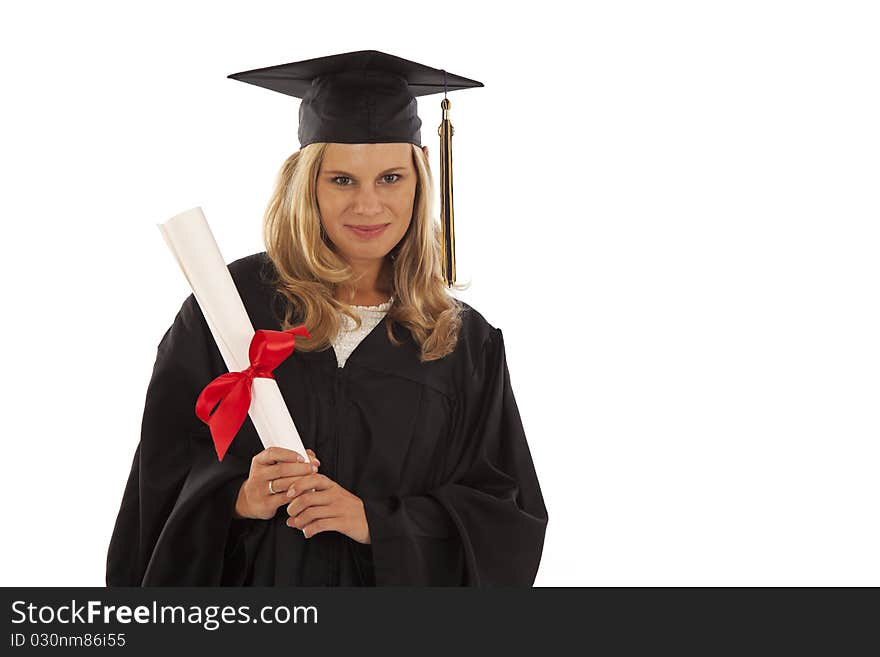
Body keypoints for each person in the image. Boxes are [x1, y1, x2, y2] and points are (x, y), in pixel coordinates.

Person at [106, 50, 548, 586]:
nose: (367, 206)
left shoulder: (462, 340)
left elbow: (507, 518)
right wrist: (239, 499)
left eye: (390, 177)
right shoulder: (230, 308)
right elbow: (156, 483)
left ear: (421, 176)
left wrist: (376, 523)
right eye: (342, 180)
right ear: (306, 182)